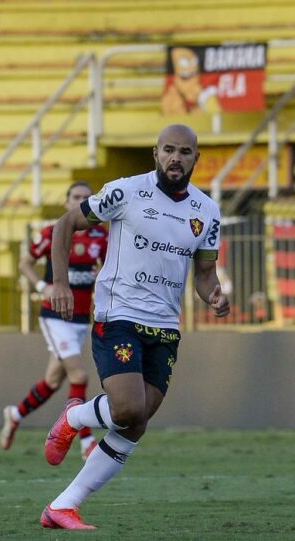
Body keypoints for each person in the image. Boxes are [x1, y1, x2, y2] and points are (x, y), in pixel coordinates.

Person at [40, 124, 229, 530]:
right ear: (155, 154)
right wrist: (58, 282)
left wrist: (214, 294)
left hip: (165, 327)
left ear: (197, 158)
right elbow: (64, 225)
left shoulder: (207, 211)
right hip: (119, 315)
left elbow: (204, 274)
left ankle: (63, 506)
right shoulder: (126, 192)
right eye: (168, 150)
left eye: (184, 152)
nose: (175, 158)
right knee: (127, 408)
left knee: (136, 423)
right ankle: (75, 418)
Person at [0, 182, 107, 461]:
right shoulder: (52, 233)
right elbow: (25, 263)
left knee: (53, 380)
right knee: (79, 375)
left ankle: (16, 414)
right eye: (76, 197)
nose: (81, 201)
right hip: (54, 316)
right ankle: (85, 442)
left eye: (87, 198)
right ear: (67, 202)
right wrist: (41, 287)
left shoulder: (99, 236)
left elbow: (107, 270)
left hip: (81, 318)